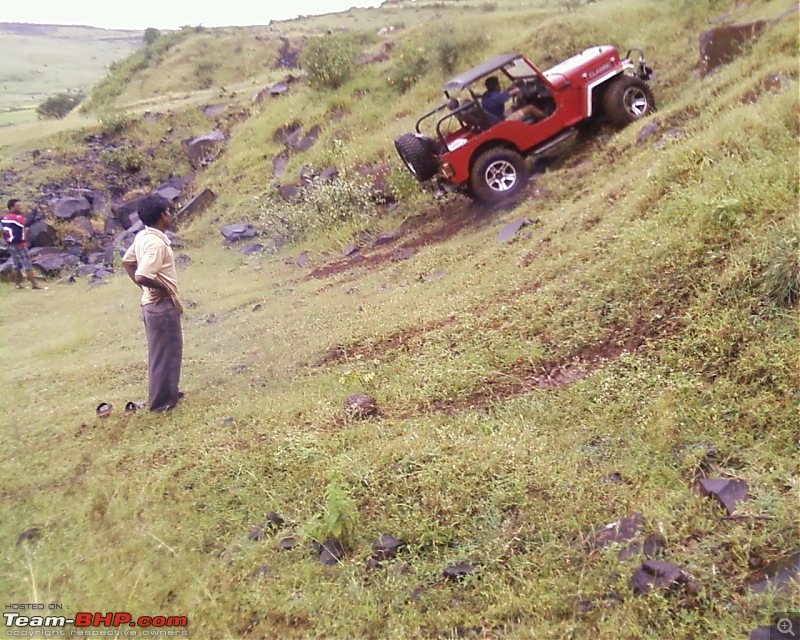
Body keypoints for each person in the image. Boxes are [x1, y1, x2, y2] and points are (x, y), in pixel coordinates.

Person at [121, 194, 184, 413]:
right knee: (164, 353)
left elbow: (127, 262)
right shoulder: (156, 244)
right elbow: (141, 274)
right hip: (161, 306)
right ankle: (161, 404)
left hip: (151, 306)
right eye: (168, 210)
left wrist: (146, 289)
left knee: (167, 351)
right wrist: (163, 288)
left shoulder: (143, 236)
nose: (170, 213)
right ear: (162, 215)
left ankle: (169, 392)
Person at [2, 199, 43, 290]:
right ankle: (34, 285)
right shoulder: (16, 218)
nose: (20, 207)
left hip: (10, 244)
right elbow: (27, 222)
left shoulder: (5, 218)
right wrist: (34, 212)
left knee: (16, 264)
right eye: (17, 206)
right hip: (20, 243)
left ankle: (17, 284)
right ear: (11, 207)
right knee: (27, 264)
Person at [481, 76, 547, 122]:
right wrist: (520, 87)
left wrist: (510, 89)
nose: (499, 85)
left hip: (498, 118)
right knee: (530, 108)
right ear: (496, 86)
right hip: (503, 122)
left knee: (517, 106)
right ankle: (547, 119)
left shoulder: (487, 95)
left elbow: (504, 94)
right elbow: (512, 92)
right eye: (498, 84)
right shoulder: (494, 97)